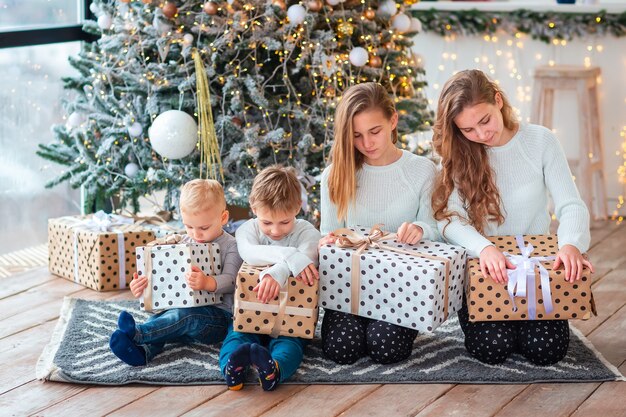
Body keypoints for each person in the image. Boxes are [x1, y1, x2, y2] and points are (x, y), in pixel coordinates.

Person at [431, 69, 594, 365]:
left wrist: (571, 244)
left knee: (546, 351)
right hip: (486, 271)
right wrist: (485, 248)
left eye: (485, 120)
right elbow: (448, 219)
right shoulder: (458, 154)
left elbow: (571, 205)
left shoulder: (540, 141)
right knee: (491, 348)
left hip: (537, 270)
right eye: (468, 129)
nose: (481, 135)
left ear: (498, 101)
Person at [319, 82, 440, 365]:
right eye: (357, 136)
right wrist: (328, 241)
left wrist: (421, 229)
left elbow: (437, 231)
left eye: (375, 131)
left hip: (401, 287)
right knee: (341, 349)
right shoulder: (335, 174)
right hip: (348, 286)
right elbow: (329, 232)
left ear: (393, 120)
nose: (367, 144)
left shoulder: (422, 170)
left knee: (387, 348)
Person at [109, 179, 242, 366]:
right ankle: (142, 352)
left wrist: (207, 283)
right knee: (164, 318)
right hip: (183, 313)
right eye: (189, 226)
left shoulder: (232, 245)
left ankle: (139, 334)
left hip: (217, 320)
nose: (196, 234)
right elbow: (167, 279)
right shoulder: (182, 242)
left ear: (223, 218)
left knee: (183, 316)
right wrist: (142, 286)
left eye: (204, 227)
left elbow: (231, 280)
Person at [219, 165, 321, 391]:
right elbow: (249, 252)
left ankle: (273, 370)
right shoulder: (248, 230)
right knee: (236, 336)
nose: (275, 231)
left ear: (297, 207)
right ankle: (231, 368)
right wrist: (289, 256)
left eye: (284, 222)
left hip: (291, 320)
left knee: (290, 344)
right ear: (254, 208)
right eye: (267, 222)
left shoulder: (307, 231)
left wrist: (278, 272)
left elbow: (309, 256)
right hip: (250, 312)